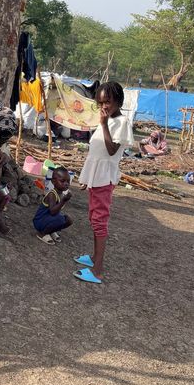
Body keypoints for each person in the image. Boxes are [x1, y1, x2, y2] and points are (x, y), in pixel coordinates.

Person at [75, 81, 133, 284]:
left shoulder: (121, 122)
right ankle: (93, 258)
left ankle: (97, 270)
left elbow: (110, 151)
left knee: (99, 222)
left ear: (118, 100)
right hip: (96, 178)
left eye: (107, 102)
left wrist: (104, 124)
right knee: (94, 218)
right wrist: (86, 178)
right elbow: (95, 154)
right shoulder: (107, 121)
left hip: (104, 179)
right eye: (100, 103)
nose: (104, 107)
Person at [33, 167, 73, 244]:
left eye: (68, 181)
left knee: (68, 220)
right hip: (40, 221)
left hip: (49, 220)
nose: (66, 184)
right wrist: (63, 201)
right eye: (62, 181)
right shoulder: (52, 194)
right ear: (53, 181)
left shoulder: (61, 194)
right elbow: (52, 212)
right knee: (60, 219)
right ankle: (42, 233)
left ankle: (51, 231)